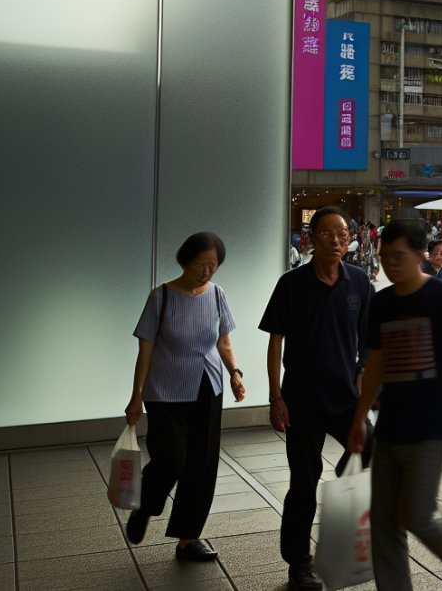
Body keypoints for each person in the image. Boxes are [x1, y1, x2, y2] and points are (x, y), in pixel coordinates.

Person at [345, 221, 442, 591]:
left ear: (421, 254)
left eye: (398, 256)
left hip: (433, 422)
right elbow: (375, 363)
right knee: (384, 522)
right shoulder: (382, 303)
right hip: (390, 422)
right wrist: (360, 419)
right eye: (384, 256)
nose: (390, 264)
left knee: (417, 513)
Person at [259, 206, 375, 591]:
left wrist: (363, 372)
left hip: (345, 398)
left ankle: (341, 487)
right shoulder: (291, 284)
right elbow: (275, 341)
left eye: (343, 234)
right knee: (303, 485)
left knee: (371, 444)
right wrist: (275, 396)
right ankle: (299, 564)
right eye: (328, 234)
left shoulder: (359, 281)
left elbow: (368, 340)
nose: (337, 240)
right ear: (310, 238)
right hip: (303, 400)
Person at [124, 232, 244, 561]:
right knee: (171, 459)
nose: (207, 271)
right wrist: (136, 396)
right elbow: (145, 350)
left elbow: (224, 342)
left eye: (213, 265)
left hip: (208, 387)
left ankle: (188, 540)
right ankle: (144, 508)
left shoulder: (218, 295)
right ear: (185, 260)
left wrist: (235, 372)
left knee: (201, 466)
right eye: (200, 264)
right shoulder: (161, 297)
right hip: (165, 392)